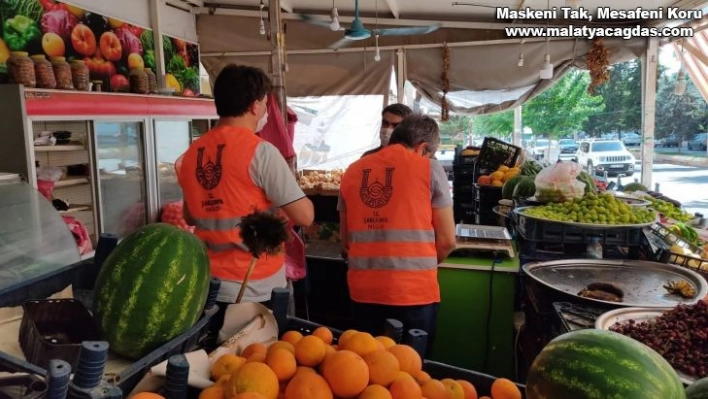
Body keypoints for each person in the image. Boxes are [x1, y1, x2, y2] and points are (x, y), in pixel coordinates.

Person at [176, 64, 314, 336]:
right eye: (264, 103)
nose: (265, 111)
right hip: (255, 285)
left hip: (207, 283)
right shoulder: (261, 152)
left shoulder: (191, 154)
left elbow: (191, 216)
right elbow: (305, 216)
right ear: (254, 105)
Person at [338, 114, 457, 352]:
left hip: (363, 294)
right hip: (414, 295)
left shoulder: (353, 170)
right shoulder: (429, 168)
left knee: (363, 373)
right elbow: (447, 241)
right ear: (423, 147)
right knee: (409, 378)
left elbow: (346, 241)